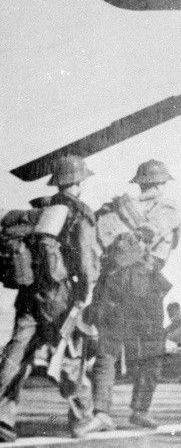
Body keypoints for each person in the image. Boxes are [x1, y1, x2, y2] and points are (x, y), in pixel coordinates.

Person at [75, 160, 180, 437]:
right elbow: (159, 240)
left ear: (140, 182)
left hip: (111, 285)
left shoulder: (111, 209)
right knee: (152, 350)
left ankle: (101, 413)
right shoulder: (167, 209)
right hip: (144, 286)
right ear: (160, 184)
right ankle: (140, 409)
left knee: (107, 351)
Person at [0, 155, 100, 442]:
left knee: (17, 353)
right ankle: (83, 418)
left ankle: (3, 418)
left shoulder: (41, 208)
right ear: (78, 182)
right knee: (69, 356)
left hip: (30, 293)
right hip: (60, 296)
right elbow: (84, 255)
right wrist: (87, 290)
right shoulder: (79, 212)